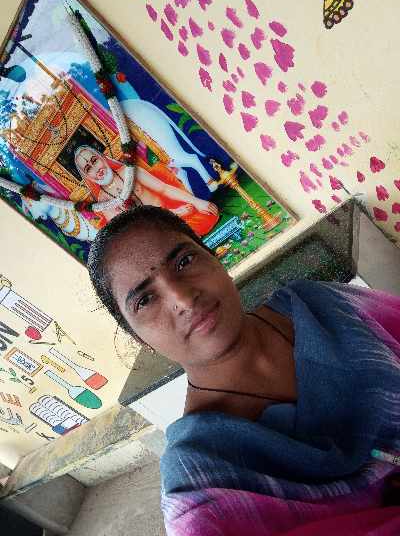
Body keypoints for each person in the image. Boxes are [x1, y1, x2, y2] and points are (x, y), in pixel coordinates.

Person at [87, 205, 400, 535]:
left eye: (184, 261)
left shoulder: (318, 305)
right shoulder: (201, 484)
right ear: (140, 339)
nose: (184, 298)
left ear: (215, 258)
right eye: (145, 299)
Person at [74, 145, 219, 236]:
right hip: (156, 234)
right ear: (88, 176)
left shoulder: (130, 171)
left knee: (207, 215)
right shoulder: (103, 201)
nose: (96, 169)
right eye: (88, 168)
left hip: (178, 218)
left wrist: (197, 201)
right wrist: (174, 214)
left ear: (102, 158)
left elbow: (164, 189)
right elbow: (131, 230)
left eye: (94, 161)